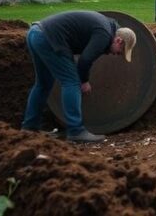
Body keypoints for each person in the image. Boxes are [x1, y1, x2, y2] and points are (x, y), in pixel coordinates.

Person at [21, 10, 136, 143]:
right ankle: (76, 131)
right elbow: (85, 60)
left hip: (36, 34)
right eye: (121, 51)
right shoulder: (104, 35)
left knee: (43, 84)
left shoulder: (105, 27)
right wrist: (84, 81)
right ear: (119, 41)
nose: (118, 55)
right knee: (72, 82)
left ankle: (29, 128)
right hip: (48, 38)